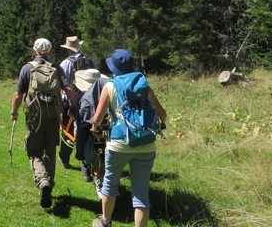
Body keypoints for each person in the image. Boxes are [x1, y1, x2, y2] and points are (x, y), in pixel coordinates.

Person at [91, 49, 167, 227]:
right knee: (141, 193)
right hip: (146, 144)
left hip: (119, 144)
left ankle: (106, 221)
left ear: (115, 68)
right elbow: (162, 115)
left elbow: (97, 118)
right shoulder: (144, 85)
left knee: (109, 184)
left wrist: (95, 128)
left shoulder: (110, 86)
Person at [11, 38, 80, 209]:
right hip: (53, 118)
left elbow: (18, 95)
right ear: (49, 51)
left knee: (34, 152)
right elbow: (69, 89)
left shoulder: (27, 68)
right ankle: (49, 182)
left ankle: (43, 182)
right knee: (50, 150)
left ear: (34, 51)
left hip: (34, 119)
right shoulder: (55, 68)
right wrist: (76, 106)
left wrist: (14, 112)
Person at [58, 36, 99, 174]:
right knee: (87, 131)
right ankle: (86, 164)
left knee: (67, 131)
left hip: (72, 101)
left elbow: (63, 84)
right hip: (92, 101)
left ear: (68, 50)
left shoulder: (65, 63)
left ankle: (64, 158)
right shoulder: (91, 61)